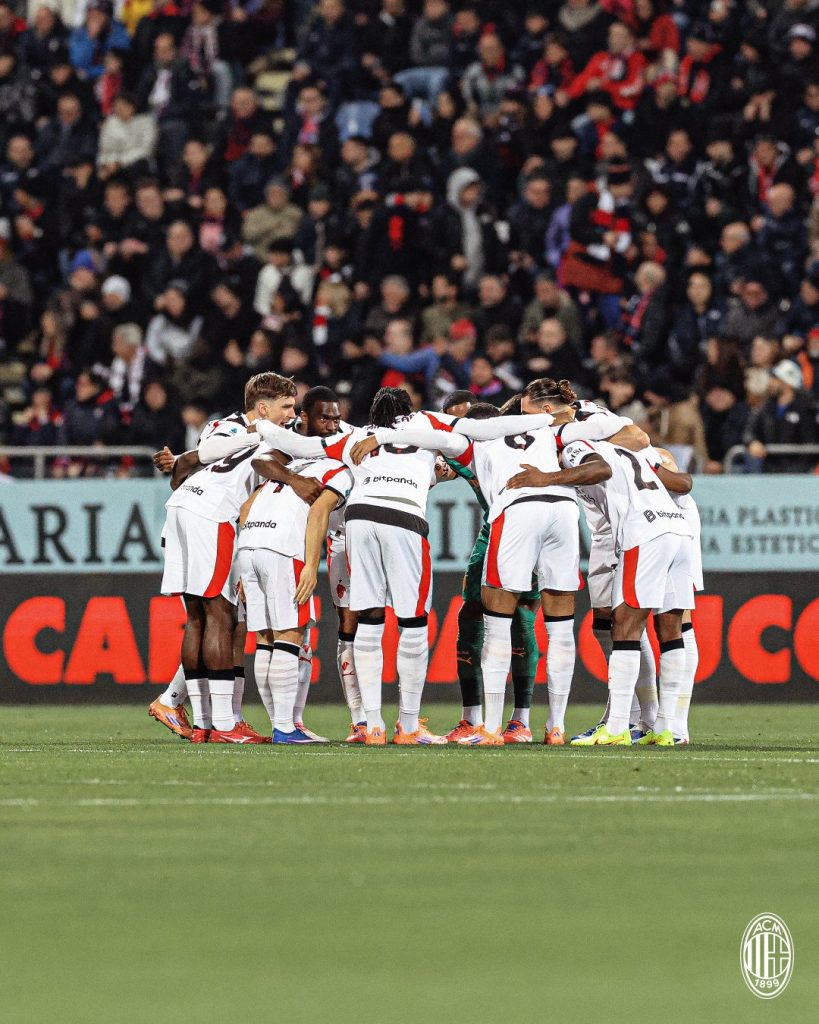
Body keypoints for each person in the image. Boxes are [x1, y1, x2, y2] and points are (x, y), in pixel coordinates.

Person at [158, 372, 299, 743]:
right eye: (286, 407)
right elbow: (202, 460)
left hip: (184, 507)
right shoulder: (248, 431)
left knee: (200, 617)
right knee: (221, 613)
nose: (292, 414)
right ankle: (223, 724)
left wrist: (180, 463)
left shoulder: (224, 427)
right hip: (213, 514)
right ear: (263, 408)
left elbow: (185, 473)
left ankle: (205, 722)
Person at [238, 434, 353, 743]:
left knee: (266, 639)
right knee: (291, 634)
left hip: (248, 546)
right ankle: (285, 729)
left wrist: (241, 558)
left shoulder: (287, 467)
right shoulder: (337, 470)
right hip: (282, 550)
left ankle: (281, 724)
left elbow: (246, 506)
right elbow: (318, 512)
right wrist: (311, 567)